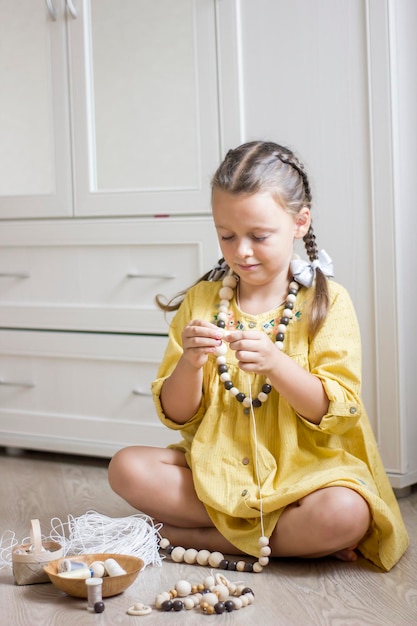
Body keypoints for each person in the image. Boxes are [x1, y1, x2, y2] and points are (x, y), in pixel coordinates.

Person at [108, 140, 409, 571]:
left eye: (258, 236)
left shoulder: (328, 303)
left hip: (305, 478)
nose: (241, 251)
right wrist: (189, 365)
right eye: (226, 235)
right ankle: (280, 539)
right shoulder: (202, 301)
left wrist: (276, 364)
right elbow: (177, 415)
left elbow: (338, 411)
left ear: (299, 222)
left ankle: (182, 536)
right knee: (126, 467)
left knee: (347, 512)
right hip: (219, 470)